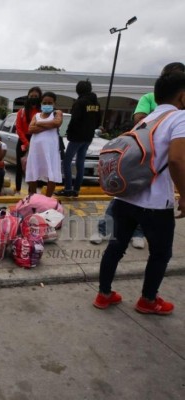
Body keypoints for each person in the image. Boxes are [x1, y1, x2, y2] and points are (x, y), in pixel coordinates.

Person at [93, 71, 185, 315]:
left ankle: (104, 295)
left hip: (125, 195)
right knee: (160, 253)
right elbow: (176, 160)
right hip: (155, 203)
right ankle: (148, 300)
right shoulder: (179, 118)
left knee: (115, 247)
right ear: (183, 96)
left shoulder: (146, 119)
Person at [55, 80, 101, 197]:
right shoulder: (96, 104)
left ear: (78, 90)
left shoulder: (80, 103)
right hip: (88, 137)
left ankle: (68, 188)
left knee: (67, 162)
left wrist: (69, 133)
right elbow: (98, 122)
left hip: (77, 137)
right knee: (80, 163)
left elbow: (74, 120)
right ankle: (76, 190)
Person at [25, 92, 63, 197]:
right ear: (41, 103)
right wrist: (49, 125)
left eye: (50, 103)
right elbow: (30, 129)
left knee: (51, 173)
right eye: (44, 102)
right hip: (36, 150)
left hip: (50, 150)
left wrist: (39, 123)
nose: (47, 105)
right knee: (33, 172)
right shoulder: (36, 115)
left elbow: (57, 123)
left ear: (54, 103)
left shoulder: (57, 113)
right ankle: (32, 197)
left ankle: (47, 199)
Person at [15, 87, 42, 195]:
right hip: (23, 140)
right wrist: (26, 143)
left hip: (36, 140)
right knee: (19, 166)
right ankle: (17, 189)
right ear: (28, 97)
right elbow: (19, 128)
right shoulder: (21, 112)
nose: (33, 98)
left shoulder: (41, 112)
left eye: (36, 96)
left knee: (33, 167)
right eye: (31, 96)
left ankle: (32, 192)